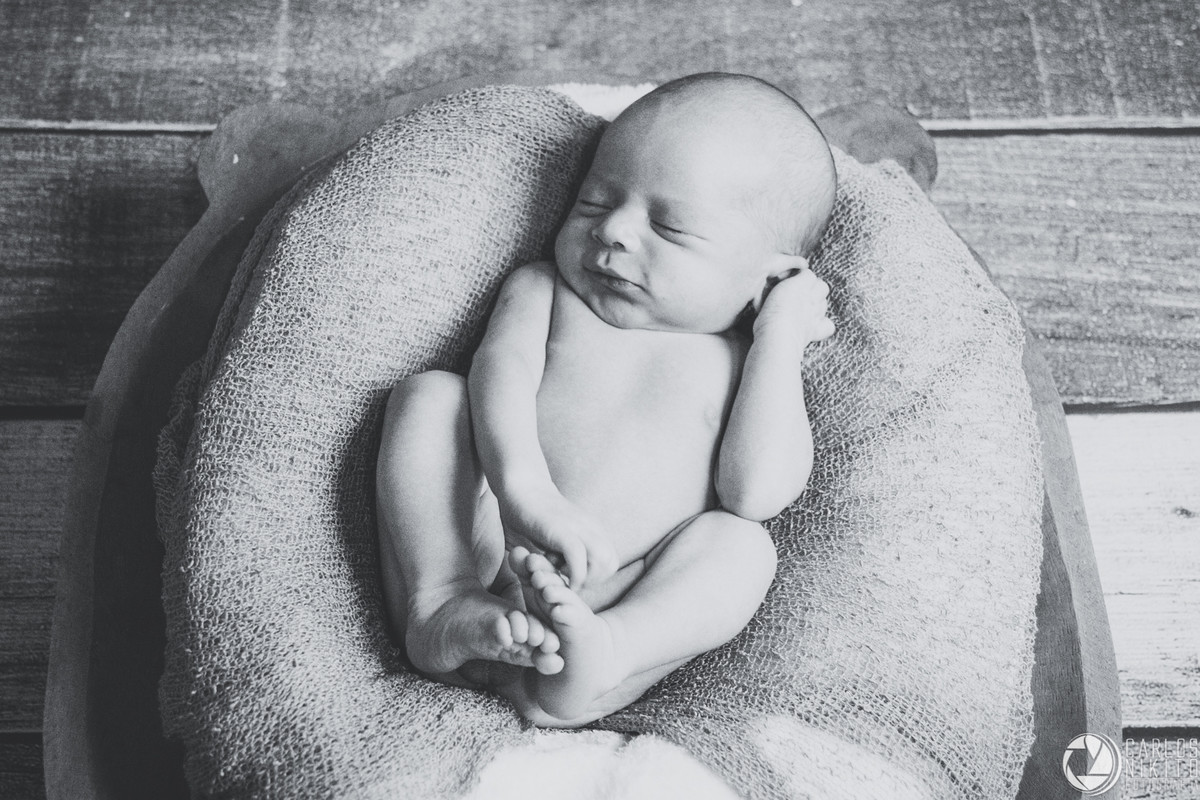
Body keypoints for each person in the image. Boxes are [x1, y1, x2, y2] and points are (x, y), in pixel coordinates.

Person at [376, 72, 838, 727]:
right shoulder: (548, 291)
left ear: (770, 276)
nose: (614, 231)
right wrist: (525, 493)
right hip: (485, 550)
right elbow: (498, 375)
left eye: (670, 228)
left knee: (742, 546)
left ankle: (611, 652)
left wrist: (780, 335)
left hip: (611, 604)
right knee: (430, 397)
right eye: (593, 203)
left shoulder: (746, 361)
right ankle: (439, 602)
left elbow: (756, 492)